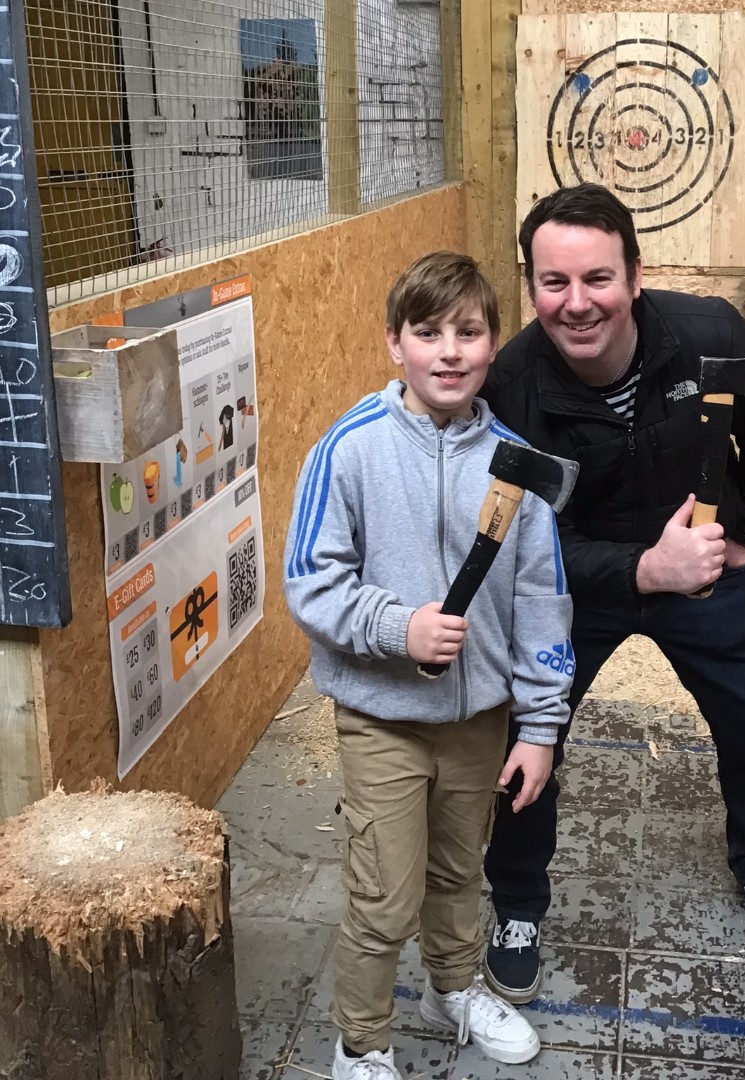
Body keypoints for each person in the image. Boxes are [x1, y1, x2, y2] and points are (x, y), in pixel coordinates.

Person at [480, 183, 745, 1004]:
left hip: (703, 572)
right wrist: (638, 571)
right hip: (575, 588)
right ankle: (518, 903)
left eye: (597, 278)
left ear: (635, 275)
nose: (577, 303)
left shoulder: (709, 336)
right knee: (524, 741)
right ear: (530, 286)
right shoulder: (510, 386)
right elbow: (518, 540)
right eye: (553, 283)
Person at [284, 251, 573, 1080]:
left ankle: (455, 987)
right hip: (381, 718)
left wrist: (541, 725)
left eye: (469, 332)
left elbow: (542, 603)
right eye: (428, 333)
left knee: (458, 873)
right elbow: (311, 581)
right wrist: (396, 626)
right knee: (383, 896)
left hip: (479, 720)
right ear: (394, 344)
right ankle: (362, 1044)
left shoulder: (515, 465)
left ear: (492, 345)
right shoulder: (350, 450)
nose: (449, 351)